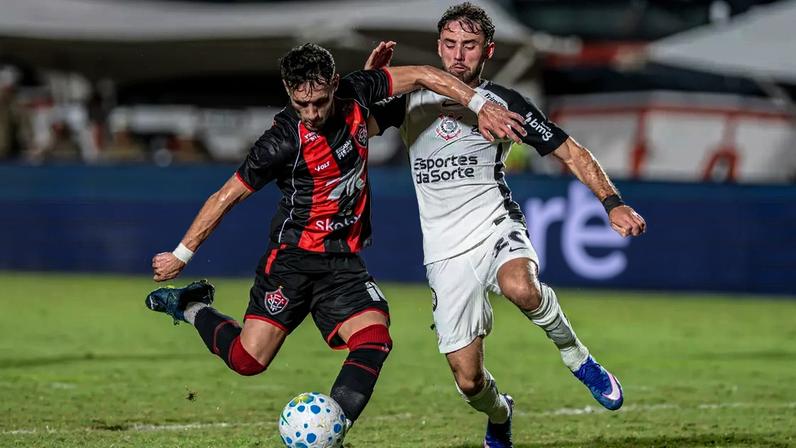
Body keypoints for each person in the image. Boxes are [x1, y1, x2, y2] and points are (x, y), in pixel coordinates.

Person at [145, 42, 526, 440]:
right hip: (292, 260)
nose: (311, 113)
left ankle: (332, 432)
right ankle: (191, 306)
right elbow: (225, 197)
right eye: (301, 104)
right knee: (247, 360)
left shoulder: (358, 91)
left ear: (334, 84)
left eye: (320, 102)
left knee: (374, 340)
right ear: (288, 92)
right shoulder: (280, 142)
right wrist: (180, 254)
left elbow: (426, 75)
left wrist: (480, 104)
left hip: (342, 263)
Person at [365, 3, 647, 447]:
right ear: (439, 47)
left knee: (522, 287)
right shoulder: (409, 102)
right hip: (444, 252)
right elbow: (352, 129)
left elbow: (569, 151)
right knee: (469, 382)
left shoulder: (506, 104)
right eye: (450, 44)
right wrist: (369, 84)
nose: (458, 55)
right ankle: (501, 415)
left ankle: (579, 358)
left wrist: (612, 203)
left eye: (470, 46)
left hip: (494, 223)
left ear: (488, 51)